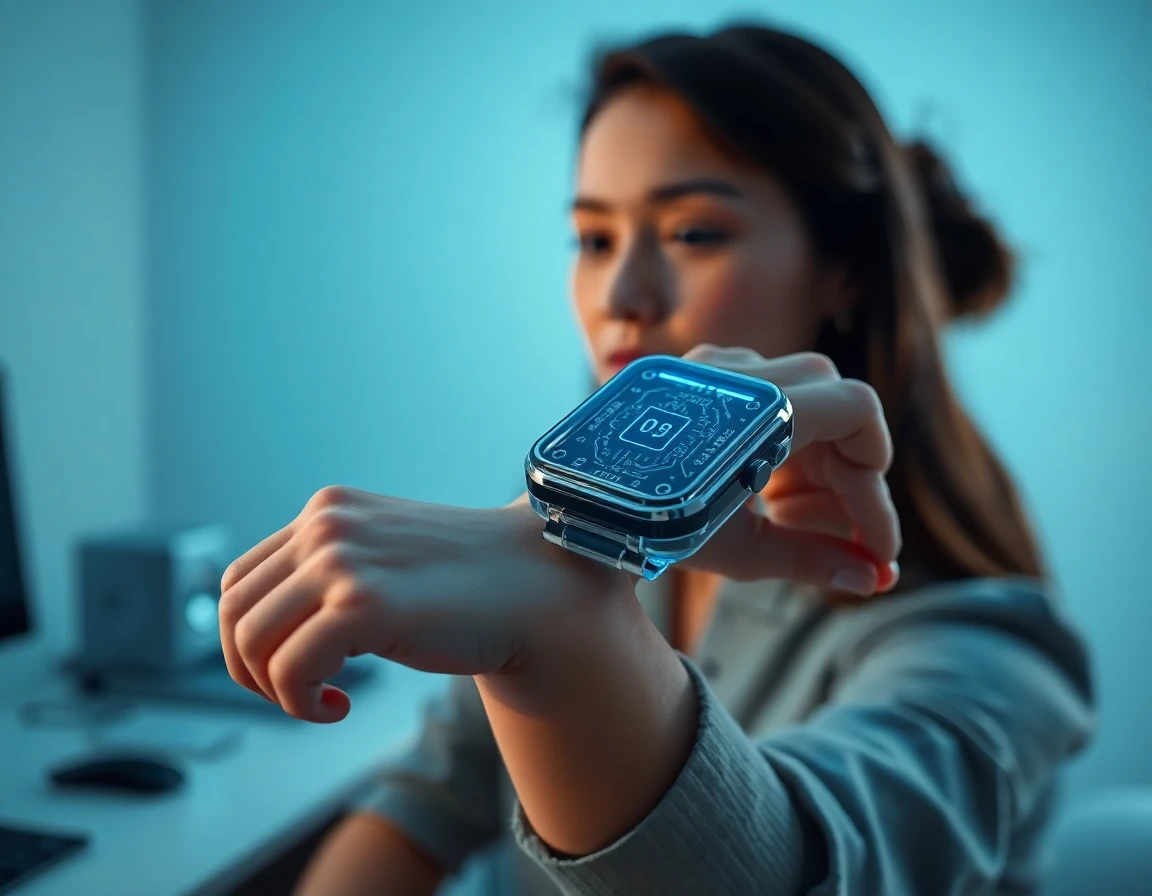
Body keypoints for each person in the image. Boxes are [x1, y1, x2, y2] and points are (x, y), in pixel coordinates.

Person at [219, 24, 1094, 896]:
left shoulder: (987, 650)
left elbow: (800, 871)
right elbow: (416, 814)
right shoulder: (589, 546)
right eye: (594, 240)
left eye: (693, 233)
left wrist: (565, 610)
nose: (622, 297)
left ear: (847, 272)